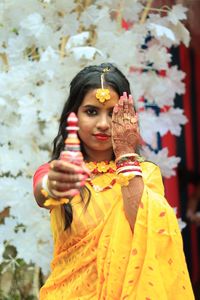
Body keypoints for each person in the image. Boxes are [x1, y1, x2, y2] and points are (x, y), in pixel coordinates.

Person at [33, 63, 194, 299]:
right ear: (73, 116)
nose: (103, 124)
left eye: (113, 113)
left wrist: (125, 154)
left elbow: (142, 228)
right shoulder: (57, 171)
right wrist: (54, 185)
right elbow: (44, 192)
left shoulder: (145, 173)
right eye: (91, 111)